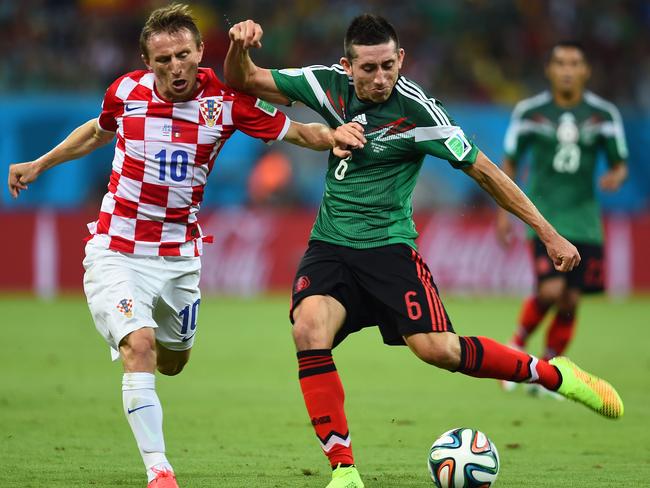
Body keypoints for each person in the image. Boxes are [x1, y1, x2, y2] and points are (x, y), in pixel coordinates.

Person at [224, 15, 625, 488]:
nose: (379, 78)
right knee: (309, 329)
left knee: (439, 350)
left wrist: (547, 232)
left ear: (402, 60)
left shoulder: (421, 113)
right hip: (330, 246)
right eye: (368, 68)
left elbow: (485, 171)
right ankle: (344, 469)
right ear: (347, 67)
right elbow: (243, 79)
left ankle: (553, 374)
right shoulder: (325, 86)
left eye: (388, 66)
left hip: (391, 249)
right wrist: (238, 46)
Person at [7, 5, 364, 488]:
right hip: (116, 247)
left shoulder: (227, 102)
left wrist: (333, 135)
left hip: (179, 257)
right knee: (141, 345)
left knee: (173, 361)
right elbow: (97, 131)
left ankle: (156, 374)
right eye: (162, 60)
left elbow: (296, 131)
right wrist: (40, 163)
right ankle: (160, 472)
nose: (175, 67)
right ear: (146, 61)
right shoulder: (126, 92)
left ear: (200, 52)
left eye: (183, 55)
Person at [497, 41, 628, 392]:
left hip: (585, 219)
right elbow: (508, 162)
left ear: (585, 71)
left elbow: (620, 164)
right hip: (544, 217)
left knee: (571, 299)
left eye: (574, 63)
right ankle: (516, 343)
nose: (567, 70)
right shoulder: (529, 112)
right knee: (552, 290)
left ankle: (547, 371)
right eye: (560, 63)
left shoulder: (604, 114)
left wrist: (615, 177)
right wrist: (503, 213)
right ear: (549, 70)